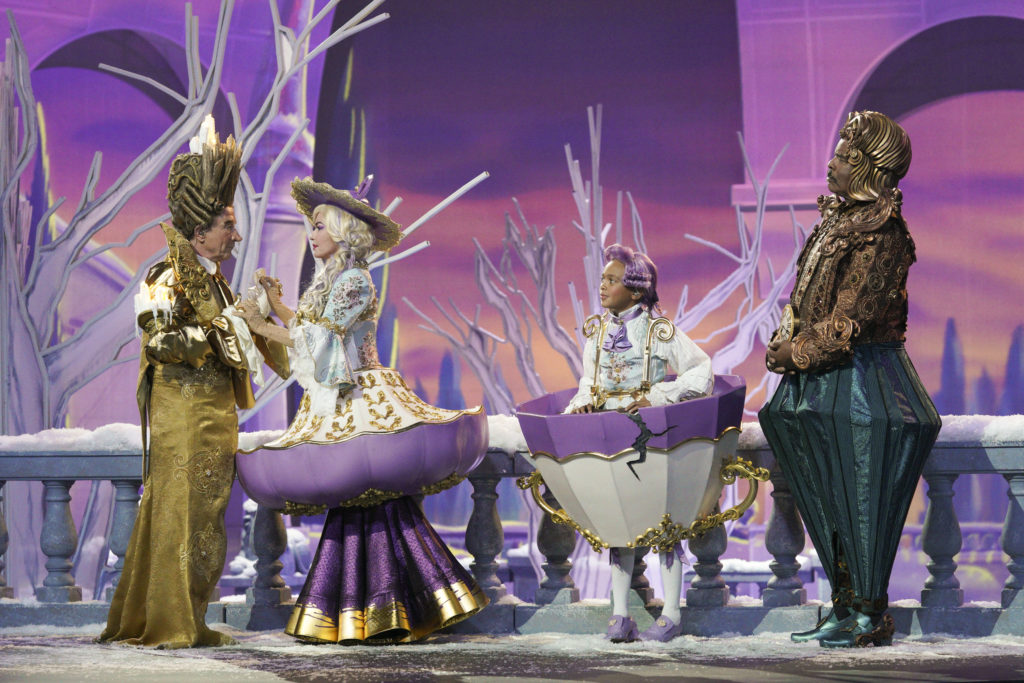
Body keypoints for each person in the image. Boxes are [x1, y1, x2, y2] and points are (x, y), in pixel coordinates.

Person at [236, 177, 488, 644]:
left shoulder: (353, 280)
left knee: (376, 505)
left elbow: (323, 338)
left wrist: (261, 325)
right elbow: (313, 328)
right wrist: (276, 308)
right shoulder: (334, 277)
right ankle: (361, 611)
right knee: (357, 506)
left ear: (340, 229)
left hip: (362, 397)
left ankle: (395, 608)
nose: (311, 235)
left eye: (318, 226)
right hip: (342, 397)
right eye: (310, 226)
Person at [99, 119, 289, 648]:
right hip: (181, 420)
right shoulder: (167, 276)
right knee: (179, 520)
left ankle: (189, 619)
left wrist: (267, 320)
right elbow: (160, 343)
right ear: (200, 229)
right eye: (228, 223)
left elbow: (245, 341)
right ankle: (168, 625)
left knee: (205, 527)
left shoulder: (214, 280)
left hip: (213, 421)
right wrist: (226, 325)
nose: (237, 233)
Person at [759, 111, 941, 648]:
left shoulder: (882, 232)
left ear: (863, 165)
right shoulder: (835, 222)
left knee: (862, 499)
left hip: (866, 382)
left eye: (841, 156)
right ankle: (842, 604)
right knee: (827, 497)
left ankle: (869, 609)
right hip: (816, 386)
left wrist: (797, 352)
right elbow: (808, 304)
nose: (832, 163)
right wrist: (786, 344)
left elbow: (850, 319)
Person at [564, 243, 713, 643]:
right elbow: (586, 380)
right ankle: (619, 615)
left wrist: (660, 397)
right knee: (618, 526)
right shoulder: (597, 332)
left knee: (664, 525)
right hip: (607, 435)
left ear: (636, 290)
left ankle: (672, 612)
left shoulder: (658, 332)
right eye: (602, 279)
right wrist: (581, 404)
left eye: (612, 280)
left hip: (650, 437)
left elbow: (702, 372)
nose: (602, 286)